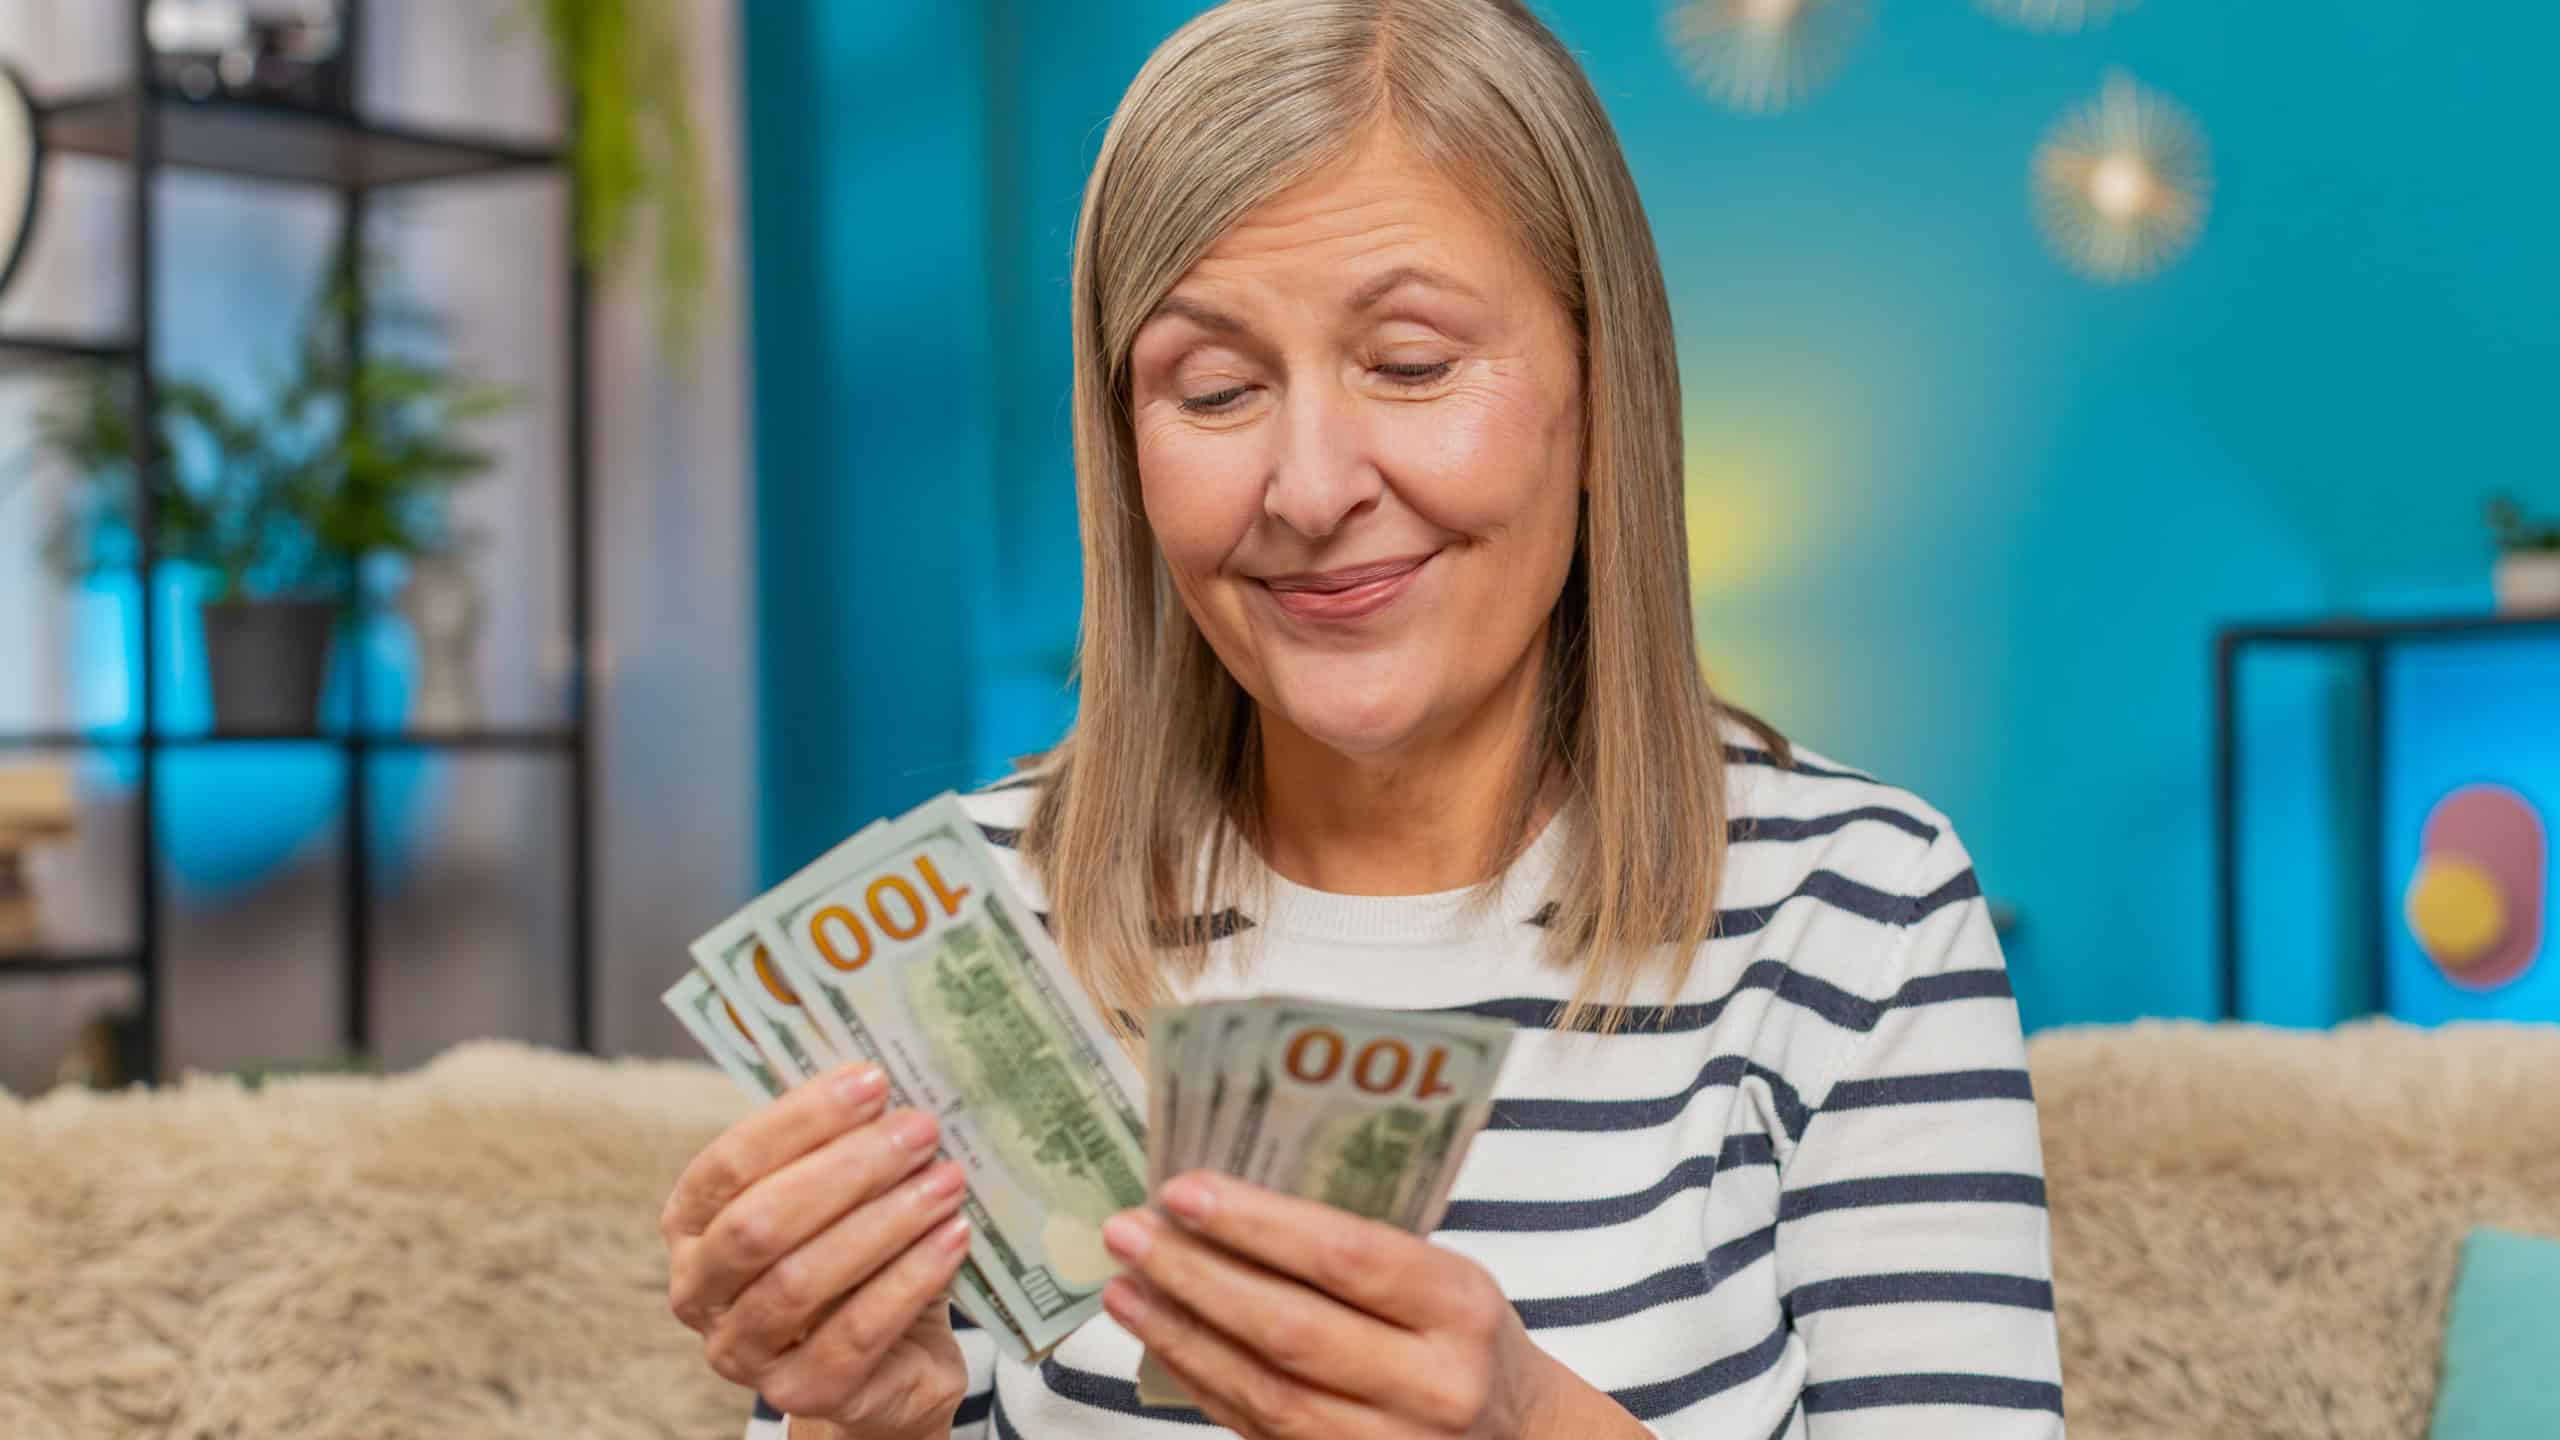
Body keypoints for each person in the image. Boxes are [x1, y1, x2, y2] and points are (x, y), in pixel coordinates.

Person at [662, 0, 2066, 1435]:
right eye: (1216, 389)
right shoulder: (974, 928)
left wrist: (1525, 1422)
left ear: (1601, 389)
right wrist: (860, 1425)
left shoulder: (1860, 914)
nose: (1313, 488)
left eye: (1410, 365)